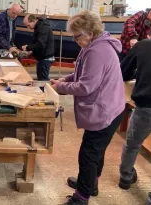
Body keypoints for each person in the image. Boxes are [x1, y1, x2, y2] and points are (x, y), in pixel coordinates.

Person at [50, 10, 125, 205]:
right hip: (110, 107)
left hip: (104, 110)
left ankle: (81, 198)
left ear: (90, 32)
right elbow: (81, 74)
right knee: (95, 152)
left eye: (77, 36)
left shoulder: (97, 51)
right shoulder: (93, 45)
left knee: (88, 154)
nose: (75, 40)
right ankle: (90, 184)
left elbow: (85, 86)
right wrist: (63, 80)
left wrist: (62, 87)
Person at [119, 25, 151, 205]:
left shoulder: (142, 46)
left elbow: (123, 72)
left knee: (132, 144)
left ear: (149, 35)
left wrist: (140, 73)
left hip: (146, 106)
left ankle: (126, 178)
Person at [21, 14, 54, 81]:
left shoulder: (43, 28)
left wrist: (27, 47)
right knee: (41, 79)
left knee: (43, 82)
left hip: (45, 58)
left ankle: (46, 91)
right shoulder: (39, 26)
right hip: (43, 57)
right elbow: (41, 44)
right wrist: (33, 51)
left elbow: (41, 45)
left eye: (28, 25)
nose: (28, 27)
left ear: (33, 21)